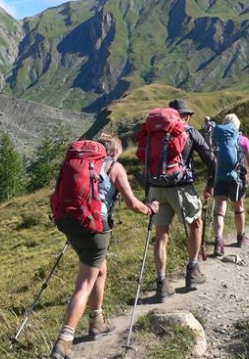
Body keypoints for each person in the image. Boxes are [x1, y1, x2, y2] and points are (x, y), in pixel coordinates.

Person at [50, 134, 159, 359]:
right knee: (85, 283)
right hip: (95, 230)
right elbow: (132, 203)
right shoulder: (114, 167)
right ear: (114, 151)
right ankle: (65, 340)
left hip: (68, 223)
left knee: (100, 268)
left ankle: (96, 320)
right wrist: (149, 209)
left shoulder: (79, 163)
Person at [147, 99, 215, 300]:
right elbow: (211, 159)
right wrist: (210, 184)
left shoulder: (154, 132)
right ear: (184, 115)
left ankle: (161, 283)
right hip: (181, 187)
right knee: (196, 224)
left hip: (156, 188)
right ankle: (193, 271)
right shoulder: (190, 132)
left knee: (161, 234)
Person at [212, 113, 249, 256]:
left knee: (220, 210)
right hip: (238, 179)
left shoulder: (218, 139)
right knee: (238, 208)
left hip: (220, 177)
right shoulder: (243, 140)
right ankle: (241, 237)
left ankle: (218, 241)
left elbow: (213, 160)